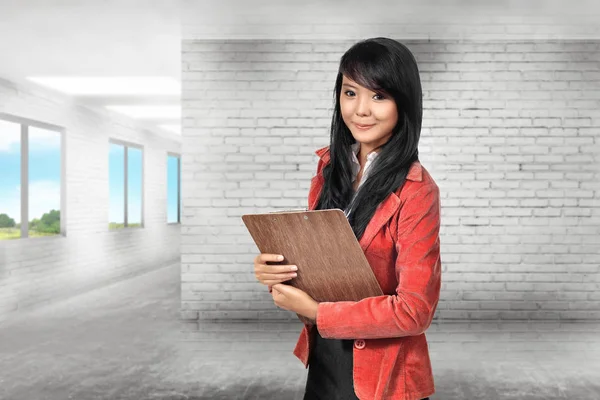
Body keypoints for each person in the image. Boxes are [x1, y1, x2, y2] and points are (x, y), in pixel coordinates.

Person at [253, 37, 441, 400]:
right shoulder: (328, 171)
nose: (361, 110)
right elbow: (322, 275)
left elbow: (415, 310)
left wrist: (317, 312)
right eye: (351, 93)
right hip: (325, 365)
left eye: (379, 96)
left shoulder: (417, 190)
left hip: (385, 379)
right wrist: (279, 273)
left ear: (404, 103)